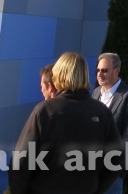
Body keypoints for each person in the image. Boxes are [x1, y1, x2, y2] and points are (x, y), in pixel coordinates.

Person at [10, 52, 121, 194]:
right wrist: (96, 188)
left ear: (59, 74)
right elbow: (117, 158)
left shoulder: (45, 110)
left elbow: (20, 162)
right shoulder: (101, 111)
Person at [91, 53, 128, 194]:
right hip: (91, 171)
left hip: (112, 174)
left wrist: (113, 167)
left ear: (116, 70)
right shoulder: (95, 93)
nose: (100, 74)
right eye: (98, 70)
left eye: (104, 70)